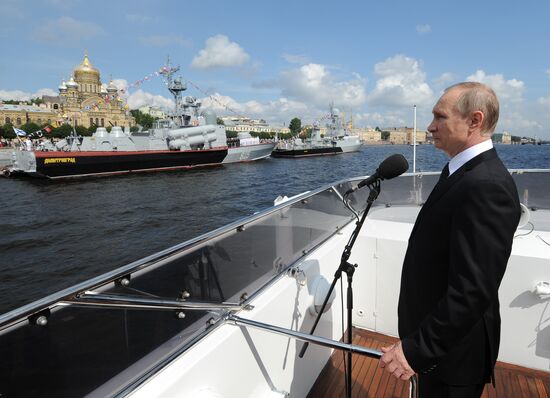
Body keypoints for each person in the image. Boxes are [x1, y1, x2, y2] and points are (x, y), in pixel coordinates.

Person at [379, 82, 520, 397]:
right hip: (440, 349)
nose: (430, 127)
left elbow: (472, 290)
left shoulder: (486, 185)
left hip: (452, 358)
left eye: (439, 117)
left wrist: (418, 349)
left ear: (474, 121)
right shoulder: (463, 172)